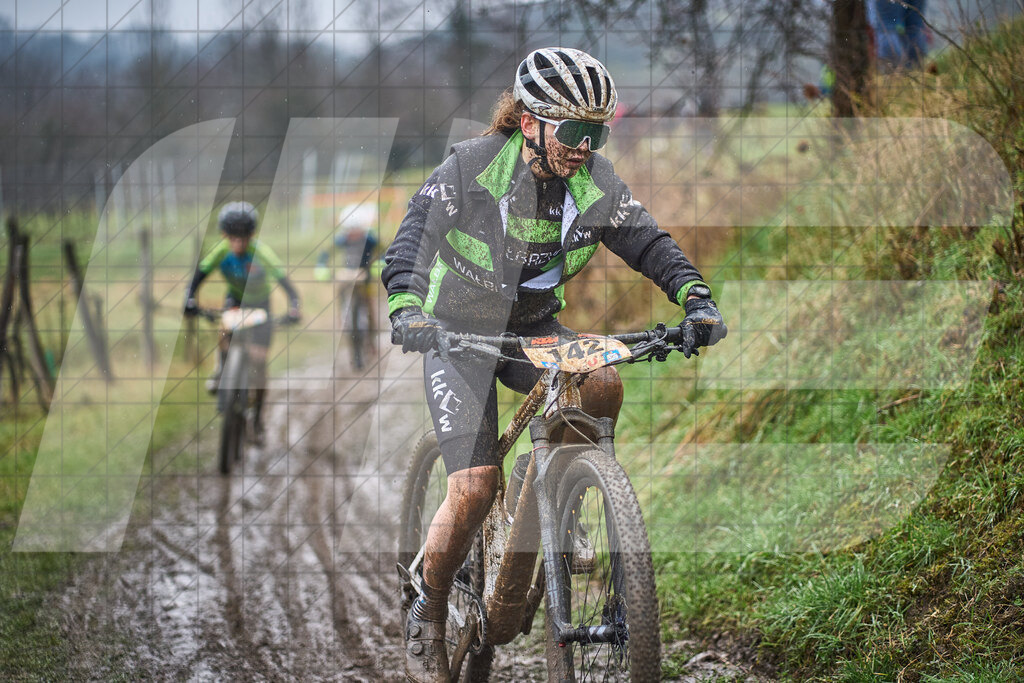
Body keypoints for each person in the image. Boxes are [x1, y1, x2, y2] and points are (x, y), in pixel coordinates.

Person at [381, 47, 726, 681]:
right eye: (574, 130)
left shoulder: (594, 181)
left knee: (599, 380)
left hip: (533, 328)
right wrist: (407, 308)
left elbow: (647, 240)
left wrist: (693, 295)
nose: (585, 145)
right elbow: (412, 239)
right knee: (475, 487)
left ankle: (558, 490)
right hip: (457, 334)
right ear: (529, 121)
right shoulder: (473, 167)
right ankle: (428, 604)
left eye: (597, 131)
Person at [184, 201, 301, 441]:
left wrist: (294, 307)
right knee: (224, 330)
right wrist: (189, 299)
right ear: (225, 235)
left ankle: (256, 419)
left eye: (243, 238)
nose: (238, 244)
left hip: (260, 304)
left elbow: (287, 284)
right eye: (233, 238)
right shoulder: (220, 252)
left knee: (258, 360)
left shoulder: (262, 253)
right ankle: (221, 371)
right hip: (235, 300)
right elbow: (199, 276)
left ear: (252, 235)